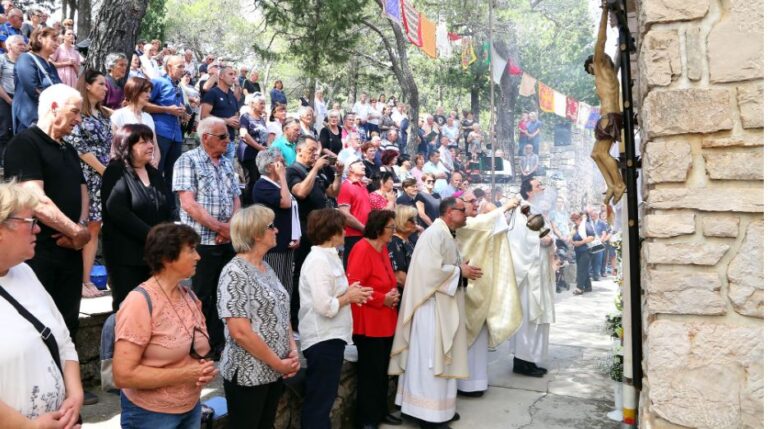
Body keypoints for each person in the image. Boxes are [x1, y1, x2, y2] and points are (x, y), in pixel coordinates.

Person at [4, 83, 91, 345]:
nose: (79, 119)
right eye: (75, 111)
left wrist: (81, 227)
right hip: (38, 253)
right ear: (54, 107)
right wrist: (76, 232)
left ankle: (69, 385)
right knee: (39, 325)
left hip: (71, 251)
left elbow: (82, 189)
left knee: (68, 323)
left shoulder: (69, 149)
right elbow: (36, 200)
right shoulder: (25, 144)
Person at [113, 223, 218, 428]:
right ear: (168, 258)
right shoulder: (139, 303)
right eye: (191, 250)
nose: (198, 256)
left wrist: (202, 370)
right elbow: (123, 374)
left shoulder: (189, 296)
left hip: (190, 408)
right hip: (151, 415)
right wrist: (186, 374)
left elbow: (196, 350)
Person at [390, 197, 481, 428]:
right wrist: (460, 270)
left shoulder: (446, 233)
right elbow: (429, 272)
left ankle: (440, 409)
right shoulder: (434, 234)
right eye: (463, 210)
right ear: (450, 212)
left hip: (442, 305)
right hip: (431, 309)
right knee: (430, 360)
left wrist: (462, 267)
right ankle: (427, 415)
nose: (467, 213)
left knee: (439, 358)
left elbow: (444, 266)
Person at [0, 182, 84, 429]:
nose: (38, 230)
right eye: (30, 222)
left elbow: (63, 340)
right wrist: (30, 426)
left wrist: (75, 395)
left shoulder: (24, 272)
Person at [217, 204, 300, 428]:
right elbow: (240, 332)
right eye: (271, 226)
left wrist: (292, 350)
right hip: (248, 373)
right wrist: (279, 363)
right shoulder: (234, 273)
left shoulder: (266, 267)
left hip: (273, 370)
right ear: (255, 233)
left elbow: (282, 311)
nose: (277, 230)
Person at [298, 208, 373, 429]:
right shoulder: (319, 261)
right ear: (332, 233)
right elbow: (325, 307)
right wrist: (348, 296)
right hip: (323, 338)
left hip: (332, 337)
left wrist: (351, 293)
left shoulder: (329, 257)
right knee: (319, 402)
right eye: (341, 228)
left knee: (324, 400)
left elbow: (332, 296)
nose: (345, 231)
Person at [173, 116, 241, 356]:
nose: (227, 140)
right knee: (202, 295)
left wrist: (229, 227)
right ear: (205, 138)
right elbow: (189, 204)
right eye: (222, 136)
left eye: (227, 136)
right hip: (201, 242)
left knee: (225, 292)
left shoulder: (226, 163)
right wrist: (221, 228)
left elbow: (236, 198)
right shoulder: (187, 161)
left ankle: (219, 342)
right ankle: (201, 346)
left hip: (225, 240)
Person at [456, 193, 522, 397]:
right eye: (471, 202)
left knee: (479, 338)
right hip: (466, 287)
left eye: (476, 201)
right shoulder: (464, 225)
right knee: (466, 337)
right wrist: (504, 207)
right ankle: (465, 384)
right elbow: (486, 223)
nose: (476, 204)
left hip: (480, 284)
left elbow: (490, 225)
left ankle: (476, 382)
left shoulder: (474, 222)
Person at [102, 124, 172, 311]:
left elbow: (169, 207)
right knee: (130, 310)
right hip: (127, 258)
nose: (150, 146)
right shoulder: (115, 172)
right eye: (143, 142)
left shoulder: (154, 173)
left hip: (156, 256)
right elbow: (119, 212)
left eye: (150, 141)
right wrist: (153, 235)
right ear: (126, 146)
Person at [346, 209, 401, 428]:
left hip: (386, 319)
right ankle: (366, 419)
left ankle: (380, 412)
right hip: (368, 322)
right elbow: (355, 286)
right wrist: (382, 298)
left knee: (381, 372)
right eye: (391, 227)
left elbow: (388, 278)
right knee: (370, 374)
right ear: (379, 228)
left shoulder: (383, 248)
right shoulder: (361, 249)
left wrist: (393, 293)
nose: (393, 231)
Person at [63, 70, 113, 299]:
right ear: (89, 86)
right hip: (85, 176)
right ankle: (77, 281)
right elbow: (79, 147)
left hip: (103, 175)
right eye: (101, 84)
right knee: (84, 225)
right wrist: (103, 170)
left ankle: (86, 279)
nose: (106, 88)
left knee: (95, 226)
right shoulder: (78, 114)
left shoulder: (103, 114)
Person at [287, 136, 343, 329]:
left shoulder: (315, 171)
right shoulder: (293, 170)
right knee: (300, 274)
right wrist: (316, 168)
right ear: (299, 150)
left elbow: (333, 193)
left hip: (319, 232)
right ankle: (294, 320)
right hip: (302, 231)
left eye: (316, 150)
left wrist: (338, 174)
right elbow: (300, 192)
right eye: (311, 150)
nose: (315, 154)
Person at [506, 178, 556, 377]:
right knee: (528, 318)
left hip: (540, 270)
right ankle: (521, 361)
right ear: (528, 192)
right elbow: (518, 241)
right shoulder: (522, 210)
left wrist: (550, 243)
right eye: (538, 186)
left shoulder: (535, 208)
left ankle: (532, 359)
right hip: (528, 274)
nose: (542, 188)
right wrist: (541, 242)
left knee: (538, 318)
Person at [585, 5, 626, 205]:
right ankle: (610, 184)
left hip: (610, 116)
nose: (593, 73)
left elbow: (601, 39)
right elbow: (618, 51)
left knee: (601, 152)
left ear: (594, 63)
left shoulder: (601, 66)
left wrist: (604, 12)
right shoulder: (612, 72)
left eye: (590, 69)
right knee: (595, 153)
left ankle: (618, 184)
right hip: (608, 116)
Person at [251, 148, 301, 293]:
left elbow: (293, 210)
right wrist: (283, 177)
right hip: (273, 246)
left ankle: (285, 315)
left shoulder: (277, 185)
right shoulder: (262, 186)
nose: (284, 164)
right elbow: (285, 202)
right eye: (280, 161)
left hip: (286, 242)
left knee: (286, 287)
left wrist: (296, 235)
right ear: (269, 167)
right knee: (275, 286)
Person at [145, 55, 188, 189]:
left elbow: (176, 108)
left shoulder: (178, 87)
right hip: (160, 132)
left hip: (176, 135)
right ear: (169, 67)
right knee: (156, 170)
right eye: (179, 66)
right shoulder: (157, 82)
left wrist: (183, 114)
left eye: (184, 66)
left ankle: (171, 207)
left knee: (173, 174)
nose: (183, 70)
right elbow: (143, 104)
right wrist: (167, 109)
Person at [11, 27, 61, 133]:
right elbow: (32, 88)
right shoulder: (25, 58)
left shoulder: (51, 66)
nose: (57, 44)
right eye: (54, 39)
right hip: (30, 119)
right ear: (40, 38)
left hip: (47, 118)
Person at [110, 76, 161, 168]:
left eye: (150, 92)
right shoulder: (118, 115)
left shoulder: (148, 117)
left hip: (148, 168)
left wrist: (155, 161)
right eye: (145, 91)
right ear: (135, 92)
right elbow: (114, 147)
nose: (149, 96)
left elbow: (155, 145)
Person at [201, 65, 239, 163]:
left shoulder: (232, 96)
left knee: (227, 176)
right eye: (230, 74)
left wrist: (237, 123)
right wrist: (226, 121)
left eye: (234, 74)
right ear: (221, 76)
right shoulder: (212, 93)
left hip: (229, 142)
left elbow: (235, 115)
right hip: (214, 141)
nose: (234, 77)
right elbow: (204, 116)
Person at [337, 159, 371, 267]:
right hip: (353, 237)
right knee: (353, 268)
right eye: (360, 164)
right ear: (350, 168)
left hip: (364, 234)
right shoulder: (346, 186)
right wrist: (363, 228)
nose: (364, 166)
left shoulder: (362, 187)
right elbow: (344, 215)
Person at [239, 93, 268, 204]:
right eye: (261, 103)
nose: (263, 105)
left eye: (264, 103)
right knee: (252, 180)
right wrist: (259, 147)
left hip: (260, 154)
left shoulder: (261, 118)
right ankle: (249, 207)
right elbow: (244, 134)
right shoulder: (245, 117)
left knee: (259, 180)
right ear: (252, 104)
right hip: (249, 154)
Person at [0, 33, 23, 159]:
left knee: (18, 130)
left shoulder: (24, 61)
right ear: (9, 46)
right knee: (4, 129)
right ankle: (3, 160)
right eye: (19, 44)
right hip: (4, 98)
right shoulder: (1, 59)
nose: (23, 47)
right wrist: (9, 100)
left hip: (20, 98)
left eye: (24, 44)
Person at [388, 205, 418, 291]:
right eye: (411, 220)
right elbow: (400, 278)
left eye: (415, 219)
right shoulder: (394, 242)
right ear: (402, 221)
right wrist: (417, 294)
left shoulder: (408, 240)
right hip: (405, 295)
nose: (415, 222)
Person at [571, 211, 594, 295]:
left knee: (581, 269)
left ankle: (579, 288)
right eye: (573, 220)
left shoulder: (586, 225)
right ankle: (588, 286)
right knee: (584, 269)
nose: (574, 221)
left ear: (580, 218)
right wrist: (573, 242)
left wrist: (580, 243)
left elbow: (591, 237)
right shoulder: (576, 227)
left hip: (586, 250)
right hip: (578, 251)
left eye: (575, 219)